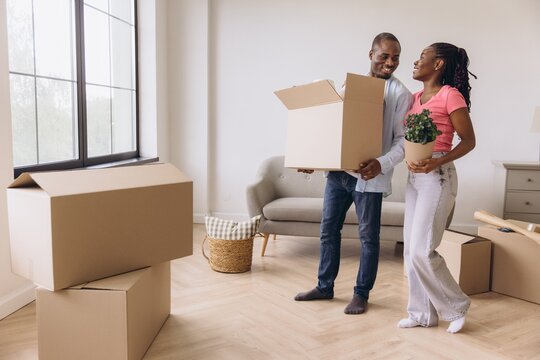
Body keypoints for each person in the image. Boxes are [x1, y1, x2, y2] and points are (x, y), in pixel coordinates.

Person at [294, 32, 413, 315]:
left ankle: (361, 294)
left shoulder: (400, 94)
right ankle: (324, 287)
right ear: (371, 54)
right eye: (384, 55)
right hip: (339, 174)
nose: (390, 62)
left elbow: (403, 141)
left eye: (395, 57)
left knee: (368, 238)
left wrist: (381, 163)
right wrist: (313, 158)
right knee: (327, 231)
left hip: (370, 177)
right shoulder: (350, 87)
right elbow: (334, 129)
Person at [397, 42, 477, 333]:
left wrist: (435, 162)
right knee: (410, 251)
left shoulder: (450, 96)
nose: (416, 63)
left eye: (422, 57)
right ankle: (421, 314)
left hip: (438, 174)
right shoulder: (416, 97)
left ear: (439, 63)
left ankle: (456, 308)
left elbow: (468, 141)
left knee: (422, 249)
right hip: (414, 177)